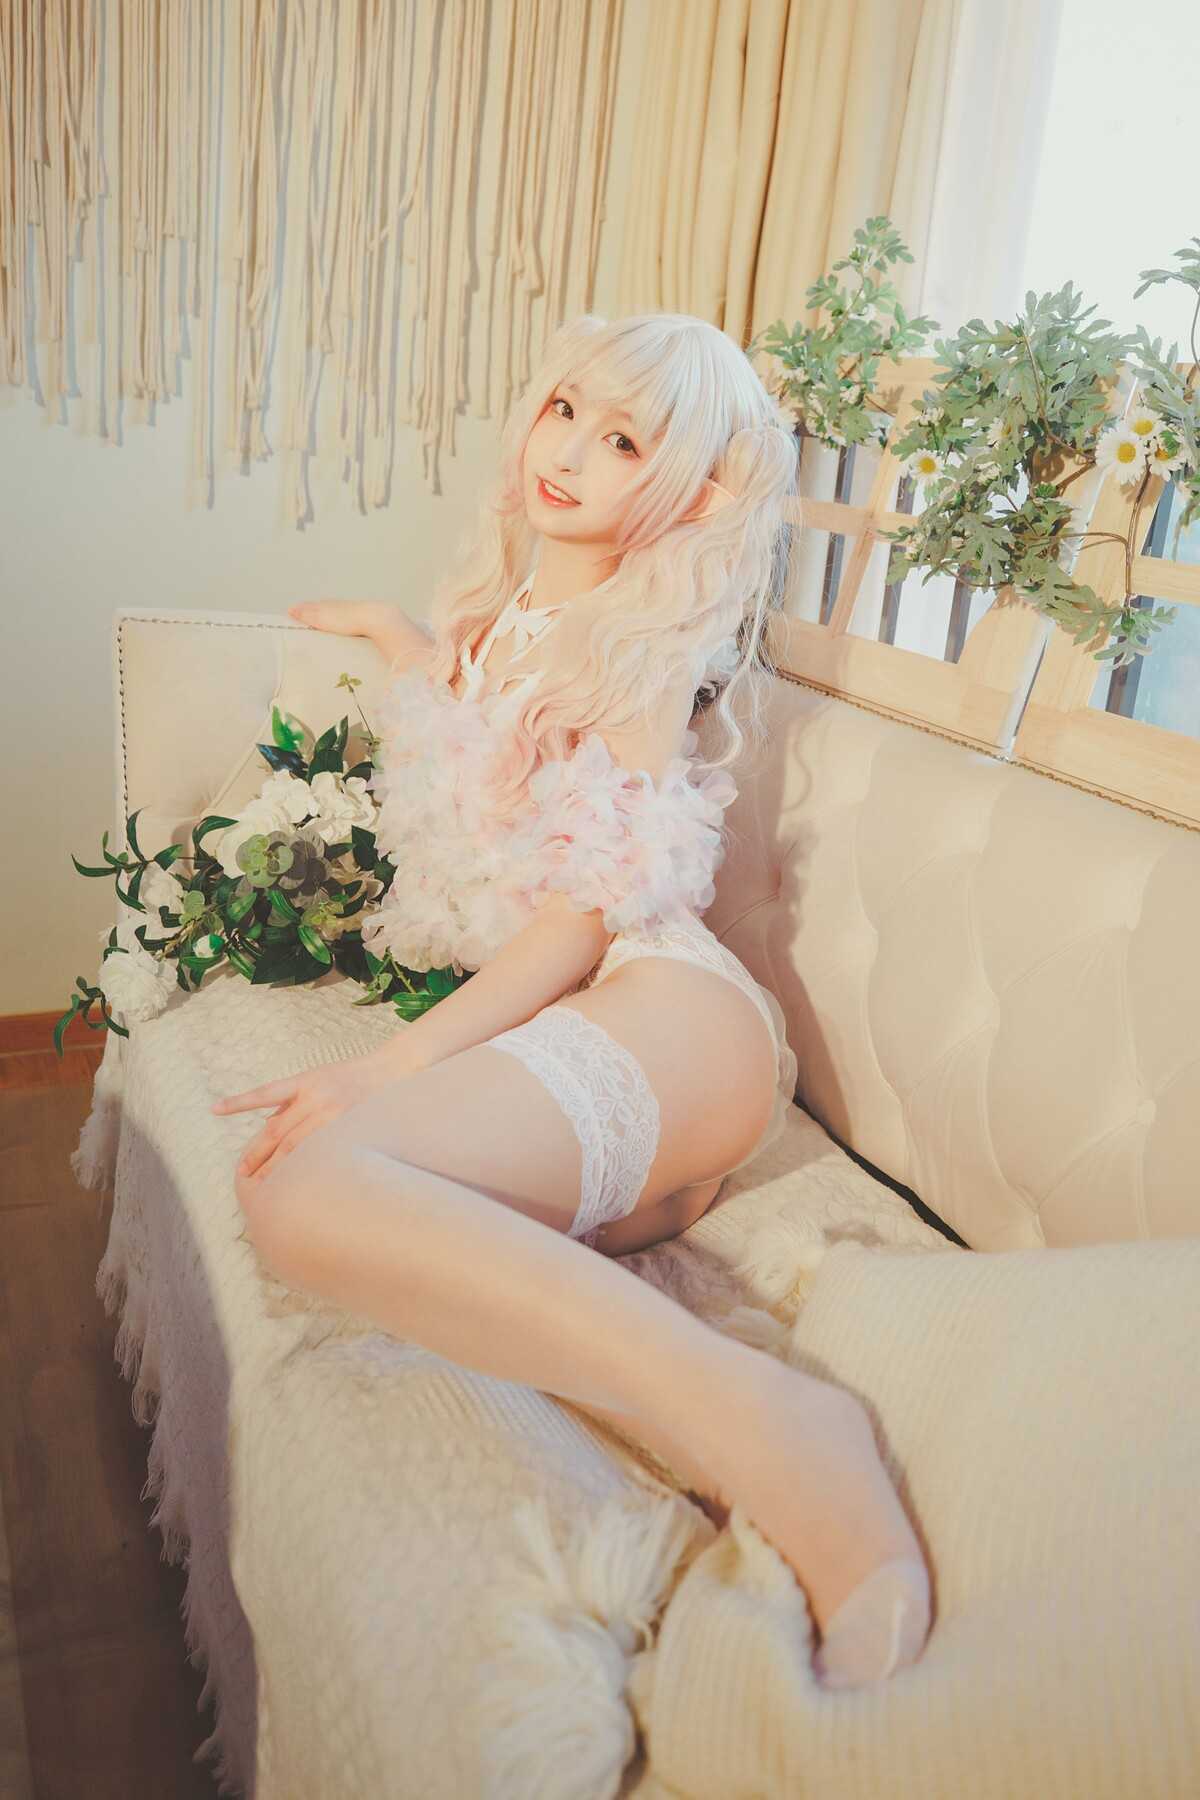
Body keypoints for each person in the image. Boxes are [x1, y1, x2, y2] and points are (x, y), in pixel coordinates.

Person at [212, 312, 933, 1689]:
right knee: (305, 1200)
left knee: (306, 1183)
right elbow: (476, 740)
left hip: (666, 1000)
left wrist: (390, 1069)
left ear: (690, 495)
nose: (572, 456)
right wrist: (396, 635)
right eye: (566, 413)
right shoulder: (510, 618)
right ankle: (648, 1205)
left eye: (625, 443)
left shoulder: (634, 649)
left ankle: (782, 1427)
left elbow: (582, 916)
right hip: (590, 1020)